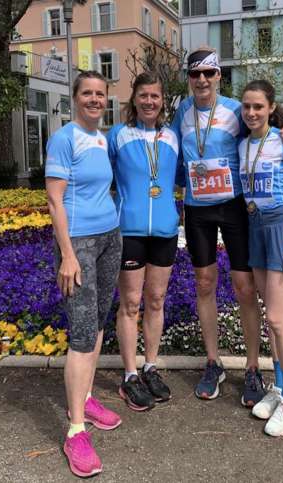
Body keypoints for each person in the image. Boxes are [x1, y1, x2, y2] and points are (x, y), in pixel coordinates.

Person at [172, 46, 283, 406]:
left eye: (209, 73)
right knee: (204, 283)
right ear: (189, 78)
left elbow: (269, 133)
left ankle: (251, 367)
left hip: (234, 208)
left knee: (245, 287)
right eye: (195, 74)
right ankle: (213, 362)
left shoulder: (235, 108)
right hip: (198, 209)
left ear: (218, 77)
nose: (202, 80)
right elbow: (171, 153)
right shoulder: (182, 111)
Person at [45, 71, 122, 477]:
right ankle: (75, 430)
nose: (94, 99)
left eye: (100, 94)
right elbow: (55, 200)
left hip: (110, 235)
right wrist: (69, 255)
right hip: (80, 243)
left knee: (95, 325)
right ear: (75, 98)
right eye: (87, 94)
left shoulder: (102, 138)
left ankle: (87, 397)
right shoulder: (64, 138)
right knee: (80, 330)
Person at [238, 79, 283, 436]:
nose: (252, 113)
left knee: (279, 318)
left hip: (282, 228)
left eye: (258, 107)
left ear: (270, 108)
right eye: (246, 107)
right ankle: (280, 387)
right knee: (271, 320)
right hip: (256, 229)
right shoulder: (242, 145)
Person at [107, 72, 182, 411]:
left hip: (165, 230)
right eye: (143, 95)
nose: (149, 101)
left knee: (156, 299)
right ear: (133, 99)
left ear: (162, 100)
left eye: (155, 96)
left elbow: (183, 175)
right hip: (131, 230)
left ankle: (151, 365)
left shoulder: (173, 136)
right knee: (131, 302)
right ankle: (130, 375)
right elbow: (100, 175)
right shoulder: (118, 135)